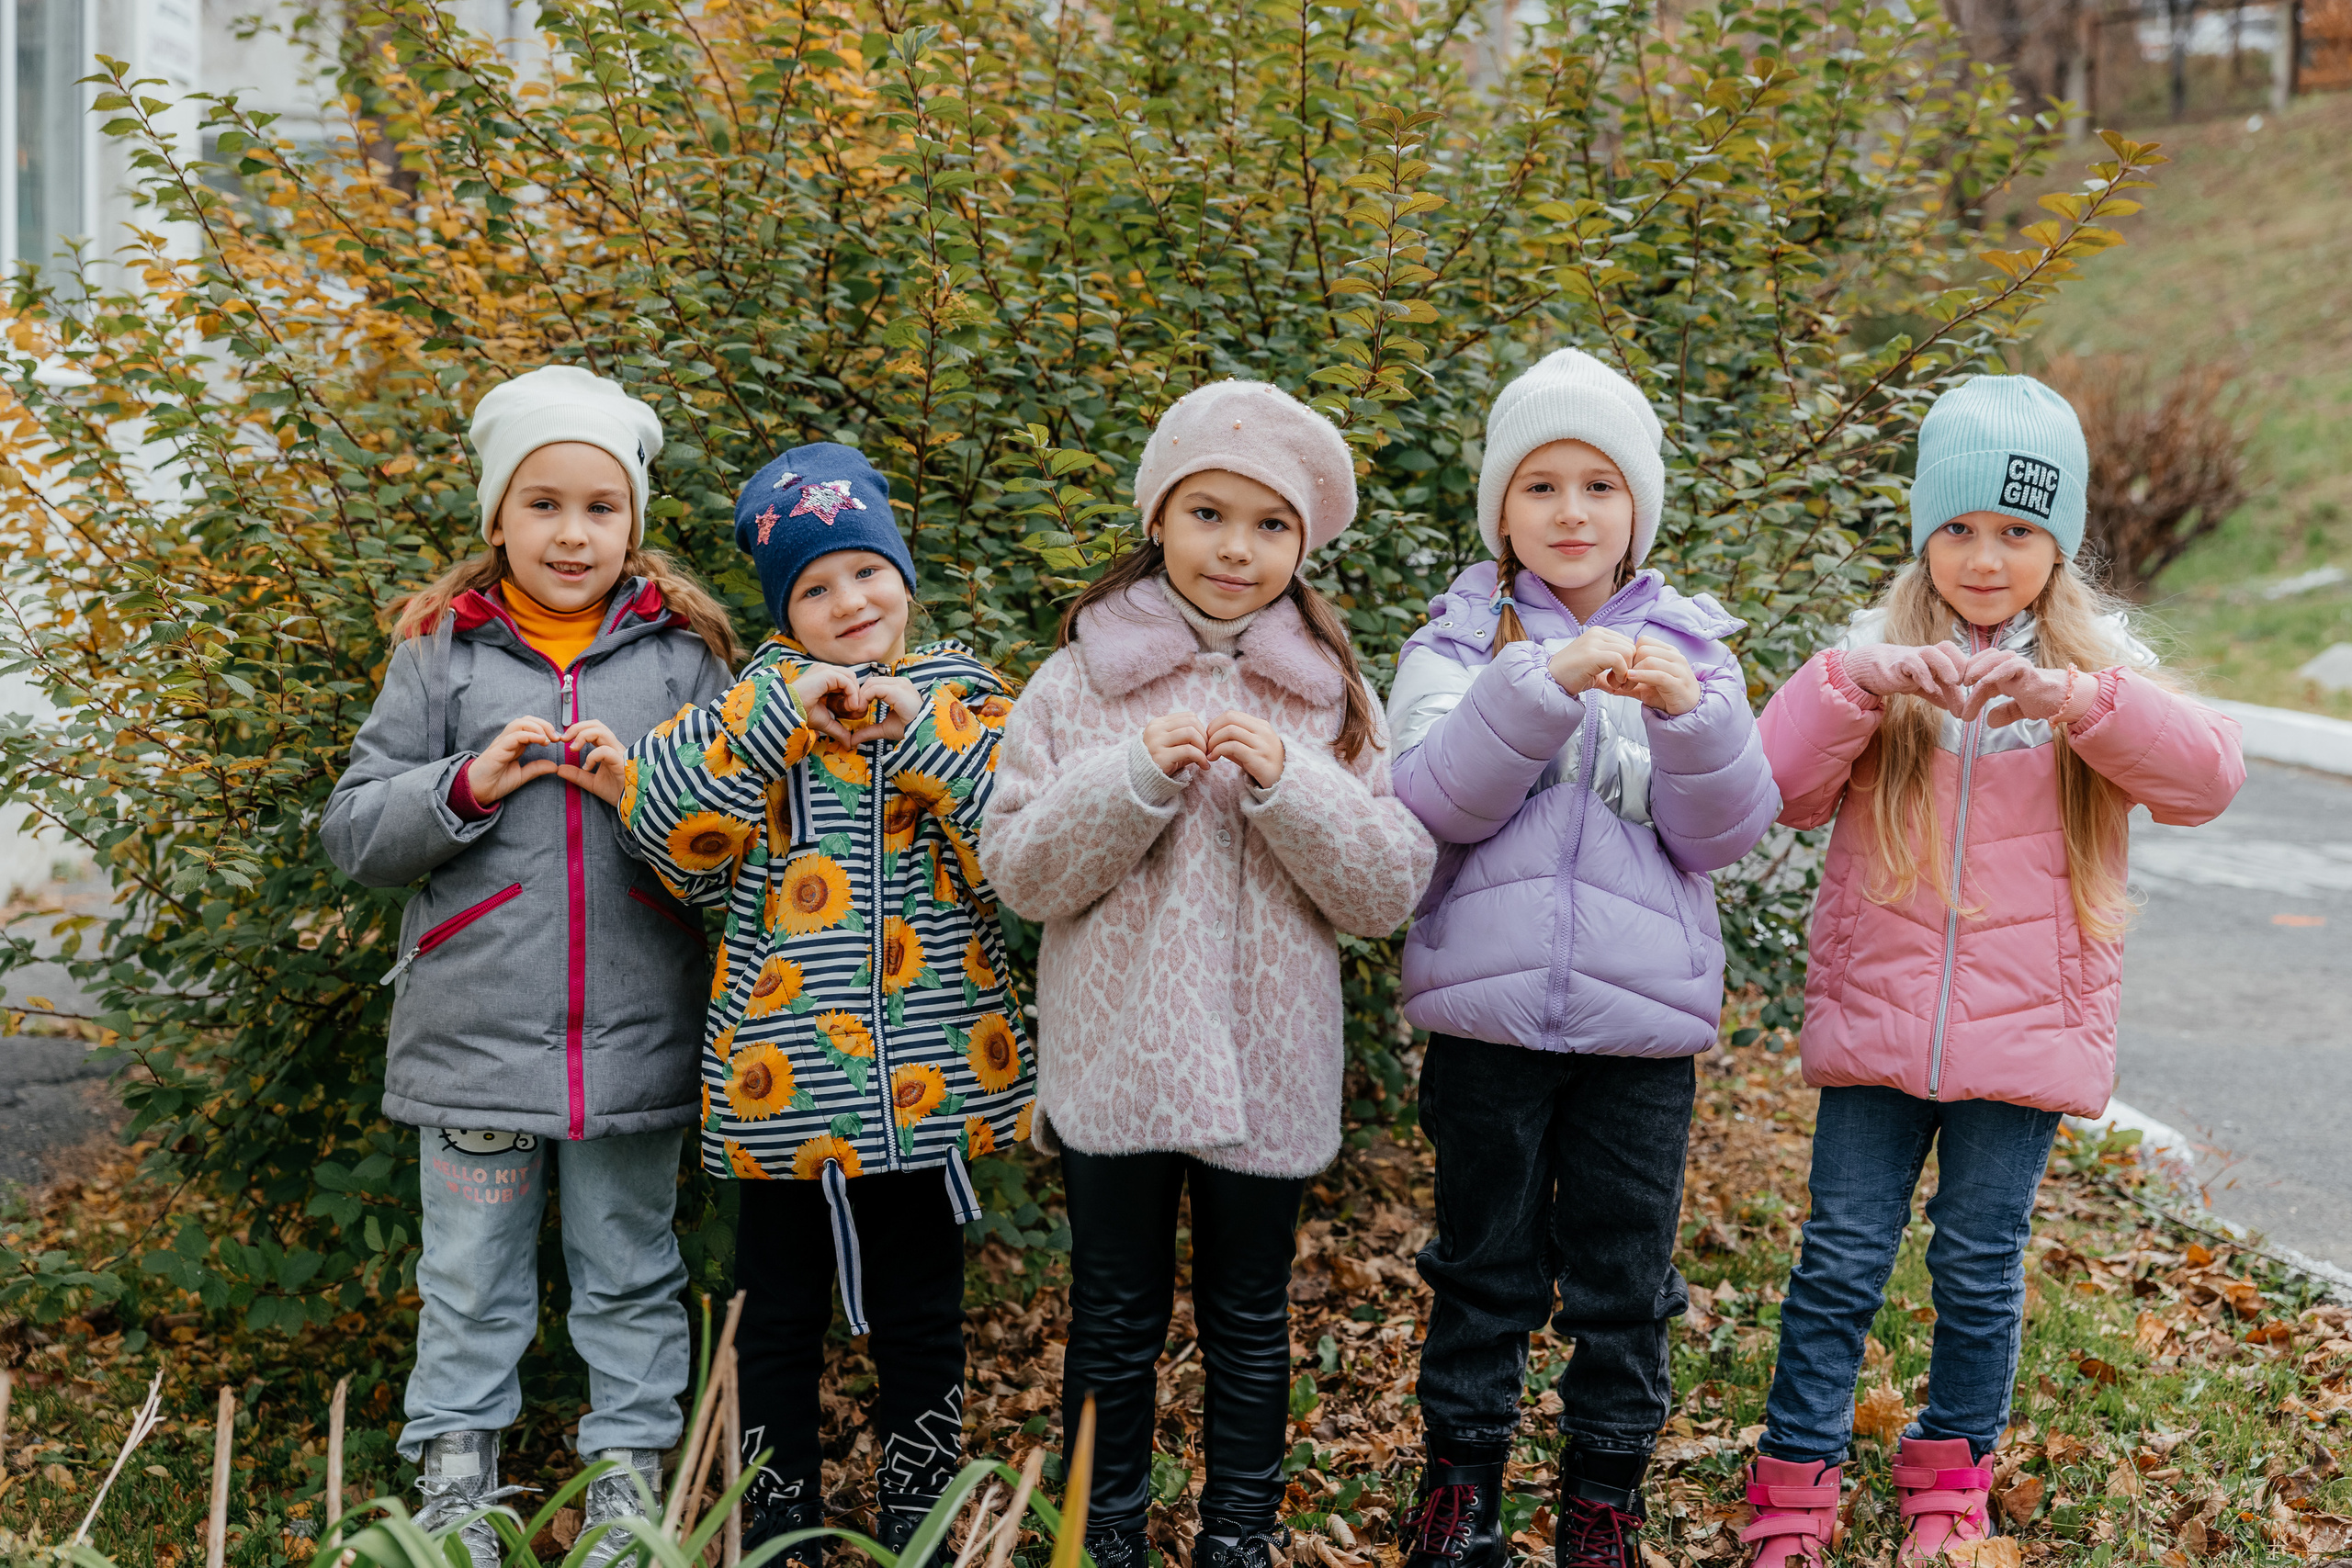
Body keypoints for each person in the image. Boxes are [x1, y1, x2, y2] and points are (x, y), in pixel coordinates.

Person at [1737, 376, 2246, 1566]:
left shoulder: (2096, 672)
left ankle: (1950, 1479)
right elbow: (1778, 792)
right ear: (1925, 531)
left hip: (2023, 1038)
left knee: (1977, 1262)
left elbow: (2208, 780)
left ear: (2057, 542)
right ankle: (1796, 1488)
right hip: (1877, 1023)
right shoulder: (1872, 658)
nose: (1985, 556)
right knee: (1840, 1255)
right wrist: (1858, 688)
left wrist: (2080, 701)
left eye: (2018, 531)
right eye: (1960, 528)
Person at [979, 380, 1436, 1568]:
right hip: (1121, 1058)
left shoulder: (1329, 693)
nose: (1237, 548)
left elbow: (1386, 889)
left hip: (1270, 1067)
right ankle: (1104, 1531)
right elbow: (1023, 869)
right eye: (1208, 513)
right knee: (1114, 1319)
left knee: (1248, 1318)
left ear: (1304, 541)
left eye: (1269, 524)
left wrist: (1295, 779)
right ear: (1160, 519)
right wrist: (1128, 775)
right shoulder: (1079, 683)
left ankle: (1241, 1530)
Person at [578, 441, 1033, 1562]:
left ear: (904, 579)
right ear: (786, 612)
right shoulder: (749, 707)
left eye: (866, 573)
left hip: (926, 1085)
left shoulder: (967, 701)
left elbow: (1022, 842)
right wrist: (783, 719)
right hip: (778, 1093)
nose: (848, 603)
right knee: (774, 1314)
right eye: (814, 588)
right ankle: (777, 1514)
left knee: (923, 1310)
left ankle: (921, 1503)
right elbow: (672, 839)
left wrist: (911, 736)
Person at [323, 365, 740, 1567]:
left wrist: (648, 791)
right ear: (497, 516)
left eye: (601, 506)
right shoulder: (441, 655)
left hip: (635, 1033)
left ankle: (626, 1479)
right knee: (466, 1277)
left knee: (627, 1268)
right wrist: (462, 782)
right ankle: (455, 1487)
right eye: (544, 502)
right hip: (474, 1036)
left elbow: (734, 856)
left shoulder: (684, 658)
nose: (573, 531)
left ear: (635, 522)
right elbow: (353, 830)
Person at [1385, 347, 1780, 1568]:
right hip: (1485, 1022)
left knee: (1624, 1277)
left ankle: (1602, 1500)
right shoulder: (1454, 645)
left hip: (1639, 1037)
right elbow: (1431, 798)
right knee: (1482, 1263)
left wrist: (1697, 720)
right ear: (1502, 508)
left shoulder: (1696, 655)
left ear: (1637, 510)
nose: (1570, 510)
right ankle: (1462, 1494)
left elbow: (1729, 829)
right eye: (1540, 485)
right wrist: (1538, 685)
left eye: (1599, 485)